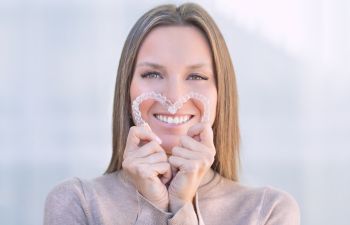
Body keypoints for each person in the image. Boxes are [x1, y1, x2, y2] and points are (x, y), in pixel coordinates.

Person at [44, 3, 300, 225]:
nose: (174, 97)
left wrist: (181, 207)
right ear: (127, 87)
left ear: (221, 93)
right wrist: (152, 206)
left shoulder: (268, 211)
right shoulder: (78, 203)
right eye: (152, 74)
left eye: (196, 76)